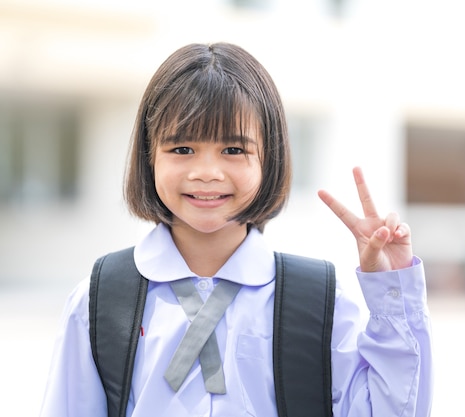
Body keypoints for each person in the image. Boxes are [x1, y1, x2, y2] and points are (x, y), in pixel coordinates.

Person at [39, 42, 433, 417]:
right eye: (181, 149)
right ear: (148, 158)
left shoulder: (320, 300)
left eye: (233, 150)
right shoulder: (103, 298)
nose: (207, 173)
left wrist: (391, 290)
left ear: (270, 159)